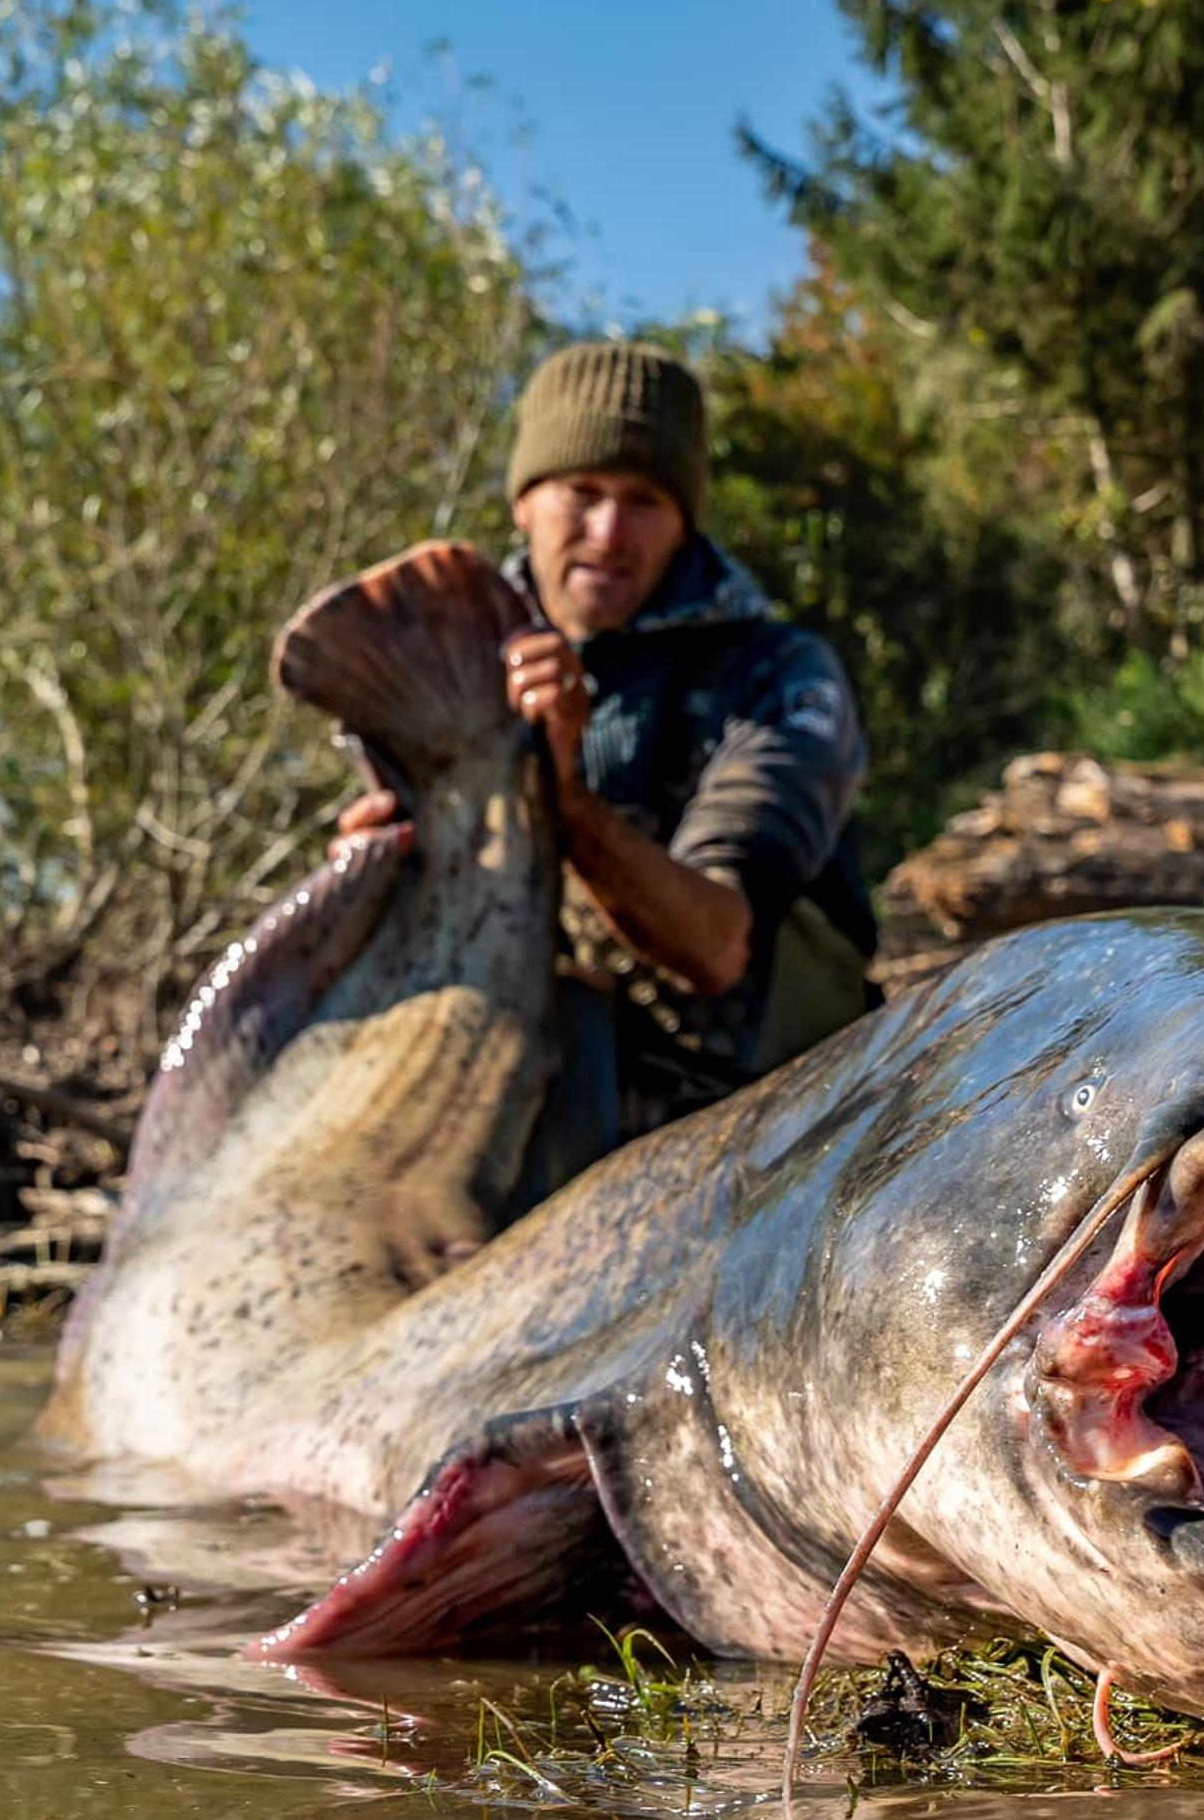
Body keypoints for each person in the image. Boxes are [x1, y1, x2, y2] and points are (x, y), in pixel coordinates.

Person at [338, 341, 879, 1202]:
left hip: (765, 1112)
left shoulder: (777, 674)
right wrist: (373, 879)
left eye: (643, 501)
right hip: (519, 1081)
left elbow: (714, 947)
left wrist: (563, 807)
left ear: (684, 519)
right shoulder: (445, 669)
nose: (609, 533)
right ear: (524, 502)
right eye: (581, 494)